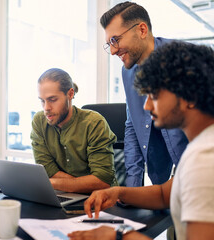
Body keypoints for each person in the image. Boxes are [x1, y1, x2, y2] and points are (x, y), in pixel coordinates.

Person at [68, 42, 214, 240]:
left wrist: (118, 236)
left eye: (154, 95)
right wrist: (119, 192)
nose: (146, 106)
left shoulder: (205, 159)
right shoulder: (201, 146)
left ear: (190, 96)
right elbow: (165, 194)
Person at [100, 1, 188, 187]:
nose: (113, 50)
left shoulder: (185, 59)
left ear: (141, 30)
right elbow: (133, 125)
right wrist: (132, 189)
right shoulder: (127, 72)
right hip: (165, 179)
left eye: (116, 40)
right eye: (109, 44)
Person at [30, 68, 117, 193]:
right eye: (42, 101)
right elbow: (47, 170)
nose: (46, 108)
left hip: (101, 199)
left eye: (52, 100)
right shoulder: (39, 121)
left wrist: (51, 183)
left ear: (70, 94)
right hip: (63, 194)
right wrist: (82, 184)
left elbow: (102, 180)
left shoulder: (94, 123)